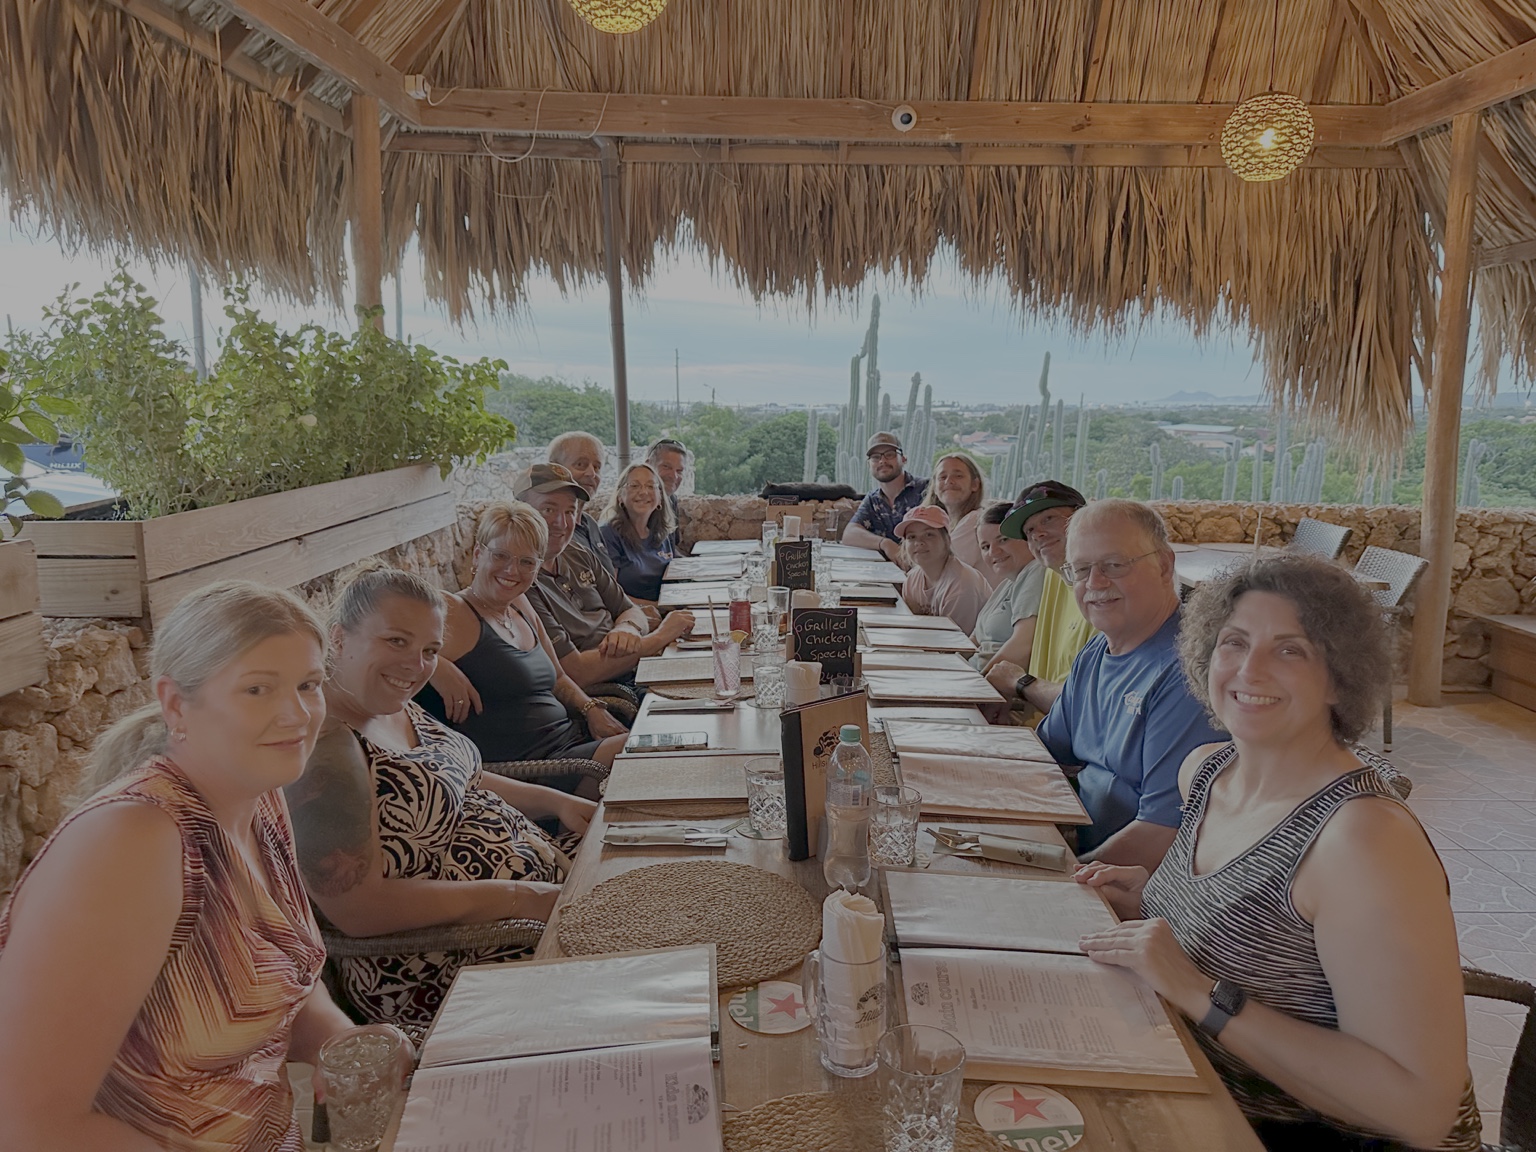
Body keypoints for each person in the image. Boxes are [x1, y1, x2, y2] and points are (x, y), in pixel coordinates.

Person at [1076, 554, 1481, 1152]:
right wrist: (1149, 899)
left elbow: (1419, 1110)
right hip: (1199, 1093)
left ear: (1341, 677)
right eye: (1234, 642)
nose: (1250, 669)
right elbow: (1260, 927)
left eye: (1290, 650)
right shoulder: (1208, 773)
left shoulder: (1362, 839)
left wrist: (1198, 992)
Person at [0, 581, 400, 1151]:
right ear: (175, 703)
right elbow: (29, 1126)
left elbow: (274, 973)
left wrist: (339, 1038)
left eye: (308, 685)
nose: (296, 714)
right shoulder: (131, 843)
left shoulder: (258, 795)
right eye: (258, 689)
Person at [287, 565, 594, 1035]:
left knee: (668, 885)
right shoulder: (326, 750)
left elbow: (461, 779)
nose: (417, 665)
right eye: (396, 641)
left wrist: (554, 802)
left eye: (430, 650)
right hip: (451, 958)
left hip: (538, 890)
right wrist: (520, 897)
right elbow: (359, 910)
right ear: (339, 639)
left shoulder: (390, 702)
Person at [1031, 499, 1224, 870]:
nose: (1095, 584)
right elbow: (1047, 752)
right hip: (1074, 847)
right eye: (1082, 569)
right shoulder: (1097, 651)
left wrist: (1059, 878)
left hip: (1129, 892)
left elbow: (1159, 835)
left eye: (1114, 565)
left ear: (1165, 565)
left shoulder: (1187, 672)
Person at [418, 502, 629, 791]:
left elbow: (559, 677)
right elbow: (376, 622)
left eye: (527, 562)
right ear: (478, 555)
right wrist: (433, 665)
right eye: (501, 555)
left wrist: (591, 709)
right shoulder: (452, 610)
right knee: (646, 750)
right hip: (533, 772)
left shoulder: (519, 604)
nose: (512, 570)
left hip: (574, 745)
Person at [518, 463, 694, 688]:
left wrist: (626, 628)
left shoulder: (577, 553)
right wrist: (660, 636)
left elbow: (629, 609)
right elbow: (578, 672)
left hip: (636, 665)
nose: (561, 523)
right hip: (609, 689)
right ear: (521, 512)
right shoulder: (520, 581)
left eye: (570, 511)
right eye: (548, 510)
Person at [985, 480, 1095, 712]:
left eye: (1049, 519)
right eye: (1030, 530)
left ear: (1082, 518)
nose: (1039, 534)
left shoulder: (1102, 590)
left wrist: (1019, 684)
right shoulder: (1052, 576)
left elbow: (1087, 706)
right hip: (1039, 726)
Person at [971, 500, 1046, 672]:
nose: (993, 552)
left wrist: (980, 682)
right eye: (985, 546)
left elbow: (1023, 645)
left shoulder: (1036, 571)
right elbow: (974, 640)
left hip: (991, 686)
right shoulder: (1008, 583)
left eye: (1003, 540)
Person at [895, 505, 990, 635]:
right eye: (911, 537)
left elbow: (957, 644)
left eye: (929, 535)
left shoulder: (962, 585)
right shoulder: (912, 579)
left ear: (947, 540)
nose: (919, 542)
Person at [842, 431, 929, 562]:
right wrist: (885, 543)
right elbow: (849, 534)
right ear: (869, 465)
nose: (882, 461)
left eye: (890, 455)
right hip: (890, 575)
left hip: (926, 573)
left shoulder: (926, 489)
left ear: (904, 459)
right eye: (876, 457)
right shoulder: (873, 499)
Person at [600, 462, 678, 604]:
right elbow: (610, 595)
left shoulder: (663, 533)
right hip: (633, 615)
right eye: (634, 486)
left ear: (660, 498)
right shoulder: (608, 535)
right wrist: (658, 607)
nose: (643, 492)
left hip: (666, 610)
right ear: (620, 496)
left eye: (650, 486)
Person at [548, 431, 615, 576]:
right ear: (556, 469)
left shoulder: (590, 524)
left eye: (597, 467)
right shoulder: (552, 529)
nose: (592, 473)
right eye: (580, 464)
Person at [922, 452, 991, 583]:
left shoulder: (974, 520)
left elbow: (939, 570)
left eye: (958, 476)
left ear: (975, 485)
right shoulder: (944, 524)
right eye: (942, 477)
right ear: (935, 488)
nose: (949, 481)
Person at [647, 438, 689, 549]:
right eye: (666, 467)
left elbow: (671, 553)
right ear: (648, 465)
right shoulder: (638, 504)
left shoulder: (671, 499)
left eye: (679, 471)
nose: (674, 476)